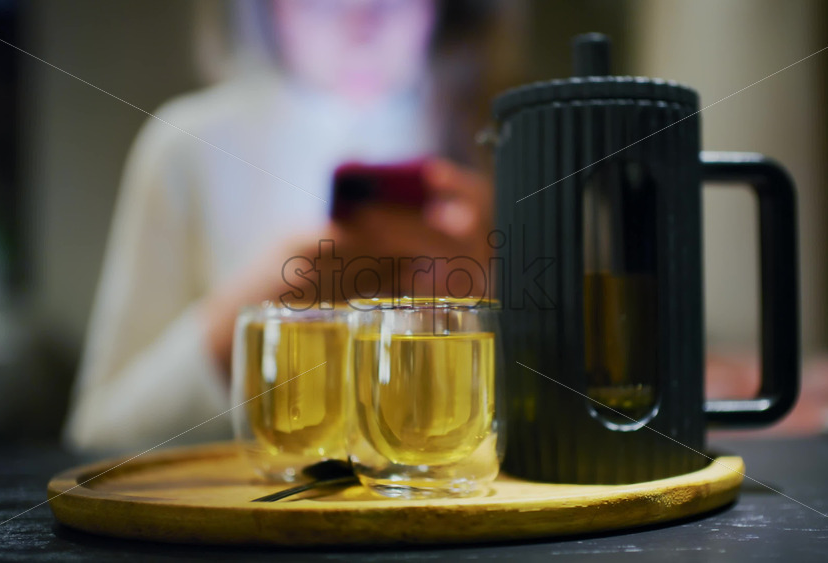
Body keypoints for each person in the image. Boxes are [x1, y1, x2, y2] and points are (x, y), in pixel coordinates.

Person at [63, 0, 515, 452]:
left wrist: (482, 305)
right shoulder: (190, 147)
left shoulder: (508, 147)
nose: (361, 20)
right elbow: (100, 435)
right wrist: (266, 304)